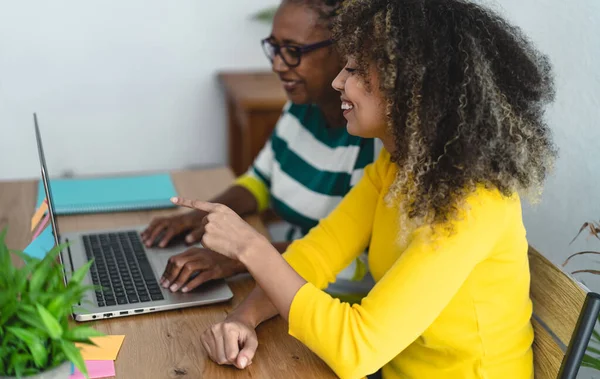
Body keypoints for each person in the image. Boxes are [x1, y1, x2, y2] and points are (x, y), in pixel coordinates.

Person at [170, 0, 558, 378]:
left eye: (355, 70)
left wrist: (249, 247)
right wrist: (244, 318)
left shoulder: (474, 205)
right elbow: (315, 255)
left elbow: (356, 351)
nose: (339, 81)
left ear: (410, 87)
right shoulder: (394, 168)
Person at [141, 0, 380, 298]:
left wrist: (241, 257)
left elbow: (354, 265)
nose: (278, 65)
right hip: (285, 277)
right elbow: (261, 180)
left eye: (294, 51)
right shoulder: (302, 108)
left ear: (345, 51)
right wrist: (201, 217)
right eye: (274, 47)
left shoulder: (373, 145)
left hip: (331, 298)